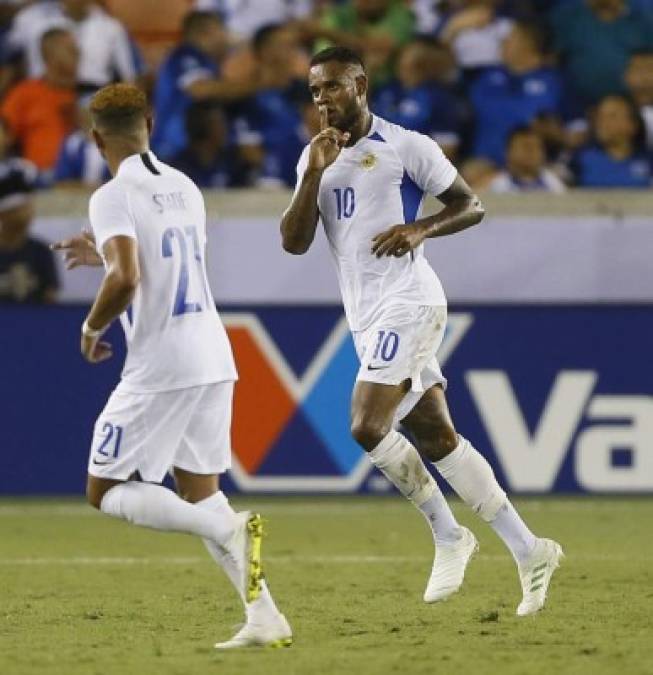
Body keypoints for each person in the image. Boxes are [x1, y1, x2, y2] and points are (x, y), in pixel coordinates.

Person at [280, 46, 563, 616]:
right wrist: (312, 171)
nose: (323, 101)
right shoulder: (316, 158)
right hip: (365, 316)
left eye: (332, 87)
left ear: (359, 84)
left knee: (364, 424)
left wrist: (420, 228)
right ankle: (530, 548)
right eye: (315, 92)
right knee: (437, 437)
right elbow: (293, 240)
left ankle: (449, 534)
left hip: (411, 301)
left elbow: (470, 204)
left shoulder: (407, 145)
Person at [50, 83, 291, 649]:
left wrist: (91, 327)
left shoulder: (112, 195)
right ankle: (265, 616)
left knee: (103, 488)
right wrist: (104, 257)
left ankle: (227, 528)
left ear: (94, 138)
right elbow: (160, 261)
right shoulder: (184, 186)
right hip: (212, 350)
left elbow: (129, 277)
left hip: (162, 362)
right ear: (150, 124)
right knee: (200, 490)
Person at [151, 10, 258, 160]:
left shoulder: (208, 64)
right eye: (222, 30)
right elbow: (201, 90)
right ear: (205, 33)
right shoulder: (184, 55)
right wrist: (259, 84)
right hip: (172, 149)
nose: (226, 37)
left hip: (196, 152)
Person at [469, 21, 566, 166]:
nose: (503, 42)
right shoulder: (486, 78)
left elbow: (571, 134)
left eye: (510, 37)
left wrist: (551, 132)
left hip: (537, 166)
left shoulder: (555, 83)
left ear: (528, 44)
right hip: (487, 164)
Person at [7, 0, 140, 90]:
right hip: (42, 94)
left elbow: (129, 79)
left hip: (94, 96)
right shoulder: (32, 21)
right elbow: (7, 64)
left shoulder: (111, 27)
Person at [1, 27, 78, 174]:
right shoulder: (25, 92)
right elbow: (3, 132)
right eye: (71, 50)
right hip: (37, 178)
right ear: (49, 56)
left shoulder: (87, 97)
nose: (78, 54)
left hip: (81, 180)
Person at [551, 0, 653, 106]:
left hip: (638, 106)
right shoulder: (568, 17)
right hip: (582, 106)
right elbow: (551, 59)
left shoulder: (644, 17)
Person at [0, 161, 58, 303]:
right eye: (20, 209)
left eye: (28, 208)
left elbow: (50, 298)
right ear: (4, 215)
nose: (29, 214)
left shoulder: (41, 251)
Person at [571, 93, 652, 187]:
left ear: (633, 125)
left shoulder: (648, 161)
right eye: (600, 116)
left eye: (612, 116)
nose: (602, 122)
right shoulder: (579, 159)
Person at [489, 126, 567, 193]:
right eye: (525, 146)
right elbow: (479, 209)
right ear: (508, 152)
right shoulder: (495, 186)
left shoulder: (555, 186)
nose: (531, 151)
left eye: (536, 147)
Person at [625, 51, 653, 149]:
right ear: (626, 76)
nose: (643, 77)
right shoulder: (611, 113)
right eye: (637, 70)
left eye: (650, 70)